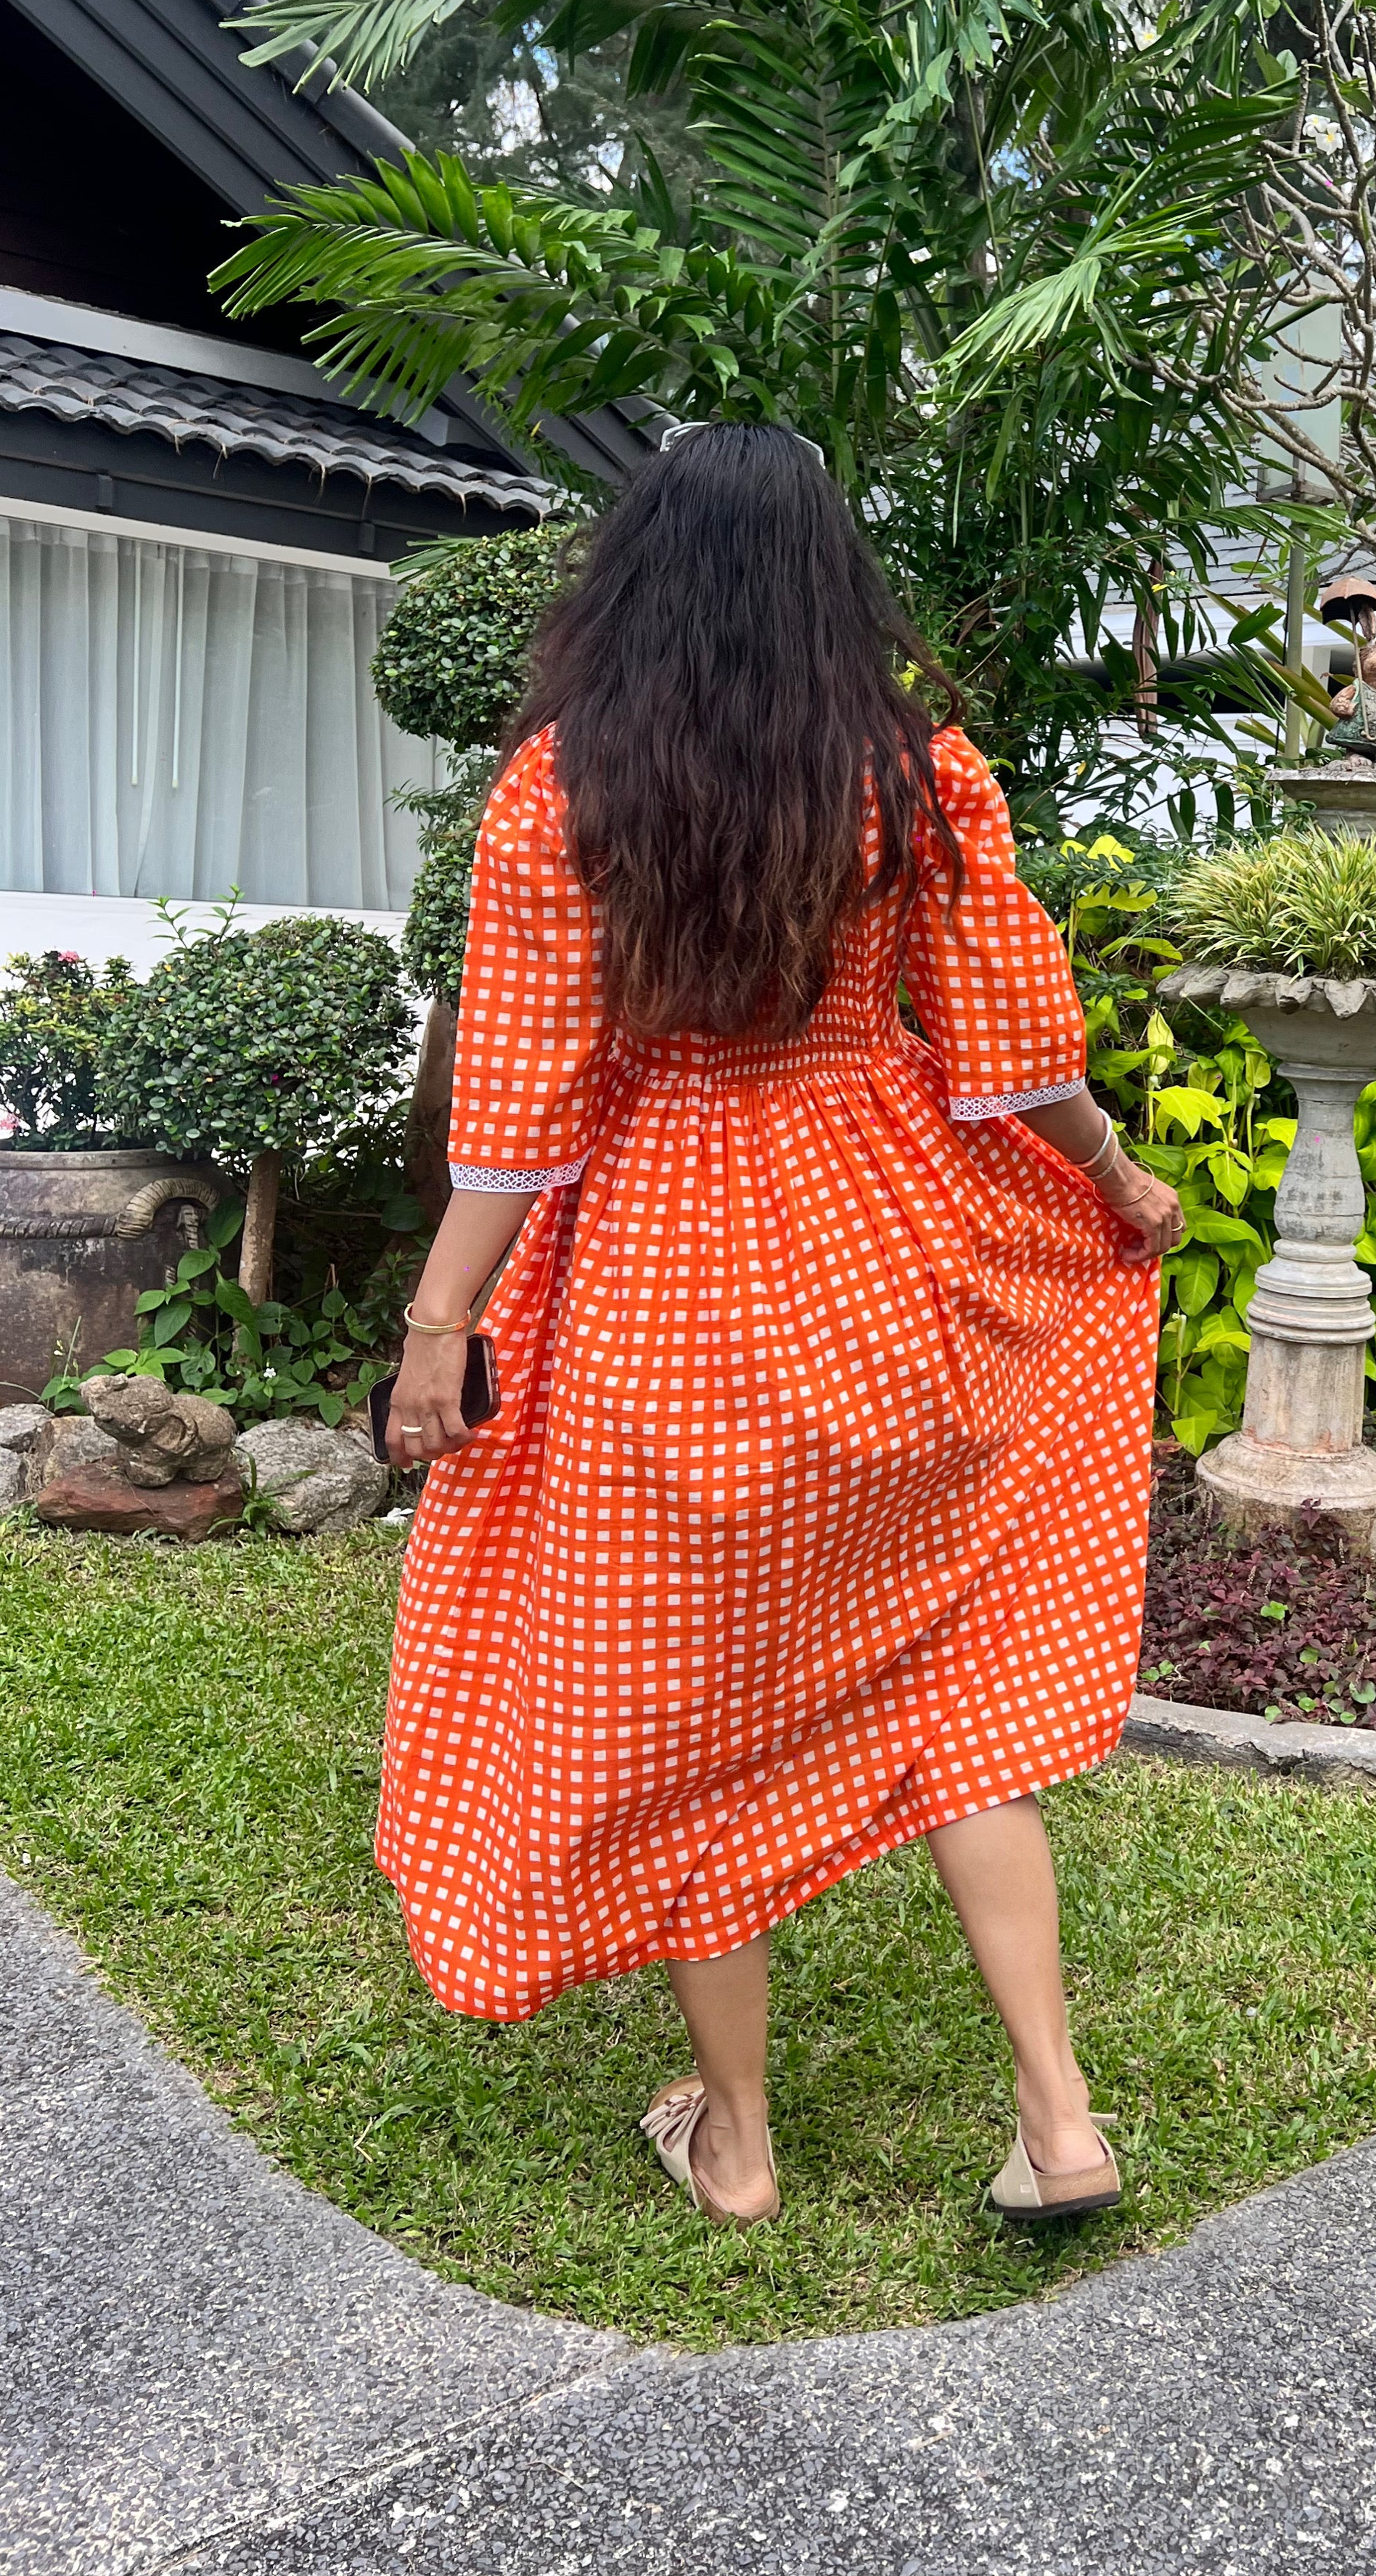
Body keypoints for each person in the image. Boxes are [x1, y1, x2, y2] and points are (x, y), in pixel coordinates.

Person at [377, 422, 1183, 2229]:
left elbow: (517, 1111)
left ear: (639, 567)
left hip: (666, 1304)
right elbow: (1011, 1055)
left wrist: (443, 1324)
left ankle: (737, 2138)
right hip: (893, 1269)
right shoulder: (913, 775)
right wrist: (1118, 1176)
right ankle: (1059, 2122)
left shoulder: (561, 792)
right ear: (830, 570)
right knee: (957, 1689)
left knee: (690, 1720)